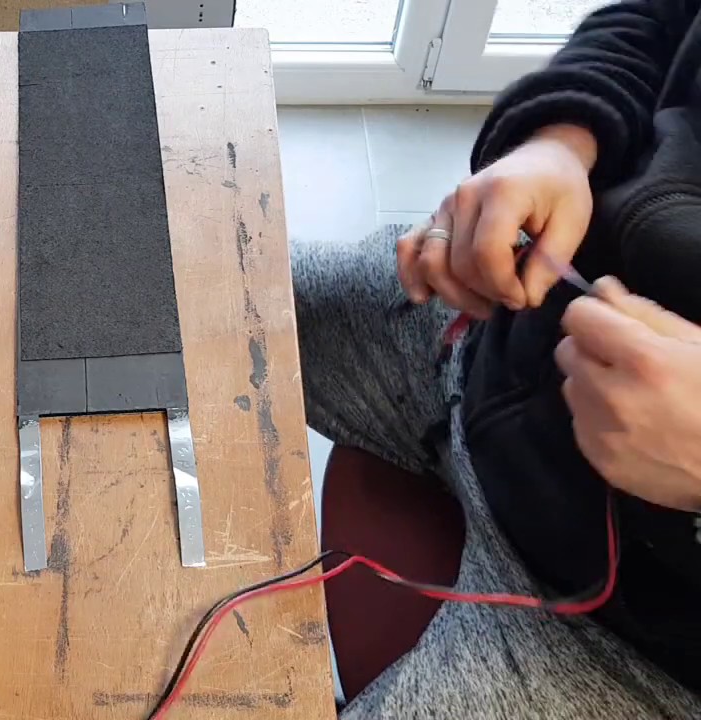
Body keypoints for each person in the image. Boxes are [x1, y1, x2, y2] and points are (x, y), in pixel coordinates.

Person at [294, 1, 701, 717]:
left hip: (624, 642)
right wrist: (560, 141)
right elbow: (656, 19)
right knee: (187, 291)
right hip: (487, 343)